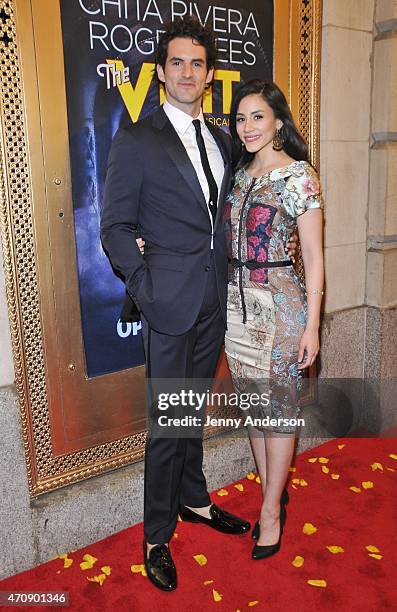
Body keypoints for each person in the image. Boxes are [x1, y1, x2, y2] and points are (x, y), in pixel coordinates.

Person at [100, 17, 255, 592]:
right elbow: (114, 226)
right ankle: (157, 534)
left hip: (213, 299)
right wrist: (146, 287)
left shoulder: (220, 138)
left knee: (192, 416)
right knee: (169, 423)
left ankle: (194, 500)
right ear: (161, 72)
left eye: (197, 63)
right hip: (167, 305)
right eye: (177, 63)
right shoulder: (138, 138)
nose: (187, 72)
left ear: (208, 74)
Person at [224, 79, 324, 560]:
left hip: (282, 305)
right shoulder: (240, 175)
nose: (247, 127)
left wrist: (312, 326)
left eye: (257, 116)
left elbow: (314, 255)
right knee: (254, 410)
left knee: (278, 412)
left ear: (279, 121)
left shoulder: (299, 176)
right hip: (237, 306)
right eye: (241, 118)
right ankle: (272, 492)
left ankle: (269, 514)